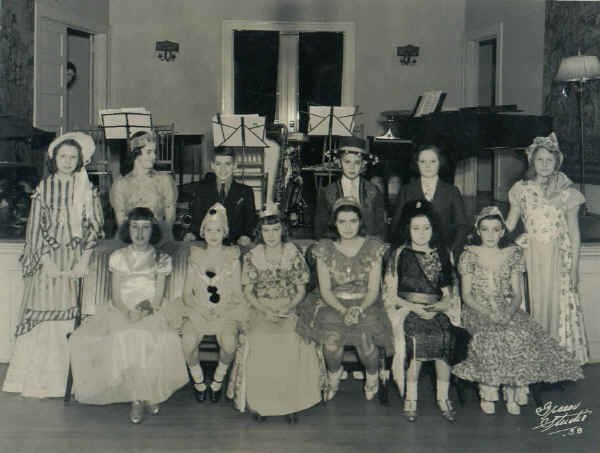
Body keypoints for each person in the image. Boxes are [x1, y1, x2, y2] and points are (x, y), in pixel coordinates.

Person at [453, 206, 583, 415]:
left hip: (507, 307)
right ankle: (490, 391)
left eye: (496, 229)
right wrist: (488, 313)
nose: (491, 235)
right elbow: (467, 295)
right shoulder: (469, 256)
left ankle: (513, 392)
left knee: (519, 333)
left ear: (503, 231)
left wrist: (509, 312)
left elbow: (517, 294)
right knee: (491, 335)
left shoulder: (512, 254)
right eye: (485, 229)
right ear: (478, 231)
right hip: (477, 309)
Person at [2, 132, 104, 397]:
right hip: (49, 259)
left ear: (80, 160)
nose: (68, 161)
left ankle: (68, 382)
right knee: (45, 310)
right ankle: (40, 382)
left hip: (76, 258)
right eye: (63, 156)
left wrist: (83, 259)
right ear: (54, 159)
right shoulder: (44, 188)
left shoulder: (87, 188)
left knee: (72, 314)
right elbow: (35, 226)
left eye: (73, 157)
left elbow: (95, 226)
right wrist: (45, 260)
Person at [69, 207, 187, 424]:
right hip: (121, 309)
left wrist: (142, 313)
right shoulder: (118, 257)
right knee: (126, 334)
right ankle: (139, 397)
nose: (140, 233)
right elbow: (115, 296)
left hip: (151, 310)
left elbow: (159, 298)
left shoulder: (161, 259)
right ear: (128, 230)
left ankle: (143, 395)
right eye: (135, 227)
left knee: (151, 337)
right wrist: (127, 313)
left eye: (145, 228)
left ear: (153, 231)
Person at [229, 204, 323, 423]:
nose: (271, 235)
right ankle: (260, 404)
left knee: (293, 339)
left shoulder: (293, 253)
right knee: (260, 339)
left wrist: (287, 308)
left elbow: (300, 289)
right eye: (266, 231)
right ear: (259, 233)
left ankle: (291, 403)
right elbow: (248, 291)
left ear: (283, 230)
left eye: (275, 230)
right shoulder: (252, 256)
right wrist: (265, 309)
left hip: (289, 306)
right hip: (260, 306)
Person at [296, 197, 392, 401]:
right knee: (331, 343)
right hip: (333, 303)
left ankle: (372, 378)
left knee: (366, 342)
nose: (348, 227)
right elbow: (326, 290)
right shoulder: (324, 248)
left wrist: (358, 309)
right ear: (334, 223)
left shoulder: (373, 247)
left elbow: (374, 289)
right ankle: (333, 376)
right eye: (342, 222)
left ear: (360, 222)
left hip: (366, 303)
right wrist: (343, 310)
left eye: (353, 221)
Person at [506, 132, 588, 364]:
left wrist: (575, 267)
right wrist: (487, 226)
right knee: (533, 302)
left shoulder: (566, 193)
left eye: (549, 161)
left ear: (556, 163)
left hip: (557, 256)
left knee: (557, 306)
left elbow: (574, 232)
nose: (544, 165)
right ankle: (531, 360)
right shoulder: (521, 189)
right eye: (539, 160)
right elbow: (510, 223)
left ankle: (555, 362)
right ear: (532, 161)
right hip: (530, 254)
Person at [383, 200, 466, 423]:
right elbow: (390, 293)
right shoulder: (399, 254)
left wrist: (442, 304)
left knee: (445, 337)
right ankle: (411, 398)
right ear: (407, 229)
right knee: (416, 341)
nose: (421, 233)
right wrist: (414, 308)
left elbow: (449, 290)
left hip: (437, 309)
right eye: (416, 228)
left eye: (426, 228)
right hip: (407, 309)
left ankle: (443, 396)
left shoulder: (442, 254)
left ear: (434, 229)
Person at [165, 204, 247, 403]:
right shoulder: (196, 255)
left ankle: (218, 380)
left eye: (218, 230)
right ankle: (199, 381)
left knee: (229, 344)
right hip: (197, 309)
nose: (213, 234)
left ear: (225, 232)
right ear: (203, 231)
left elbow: (237, 291)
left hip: (225, 310)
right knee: (187, 342)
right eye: (209, 229)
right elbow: (186, 293)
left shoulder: (233, 257)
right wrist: (201, 309)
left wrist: (221, 310)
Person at [390, 145, 468, 257]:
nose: (428, 166)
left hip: (445, 253)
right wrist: (405, 251)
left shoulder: (452, 191)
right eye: (423, 162)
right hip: (413, 253)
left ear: (440, 163)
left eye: (432, 161)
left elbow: (462, 226)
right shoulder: (406, 191)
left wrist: (451, 251)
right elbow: (396, 225)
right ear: (417, 164)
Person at [313, 136, 385, 240]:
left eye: (357, 162)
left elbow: (381, 229)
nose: (352, 167)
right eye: (347, 162)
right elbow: (320, 230)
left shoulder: (373, 191)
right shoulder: (327, 192)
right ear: (339, 162)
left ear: (363, 164)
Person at [188, 147, 257, 247]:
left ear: (234, 166)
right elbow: (196, 218)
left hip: (235, 243)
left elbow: (250, 221)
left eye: (227, 164)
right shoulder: (202, 189)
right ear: (212, 166)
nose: (223, 169)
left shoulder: (246, 191)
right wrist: (192, 234)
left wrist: (246, 235)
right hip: (208, 242)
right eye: (218, 164)